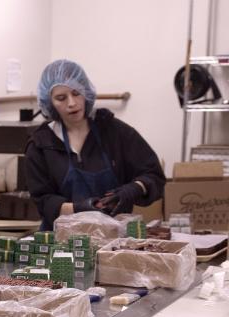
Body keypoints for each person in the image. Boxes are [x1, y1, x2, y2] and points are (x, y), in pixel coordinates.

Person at [26, 59, 165, 230]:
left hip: (113, 240)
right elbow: (43, 200)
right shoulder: (41, 145)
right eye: (61, 98)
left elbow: (153, 175)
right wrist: (79, 209)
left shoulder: (115, 132)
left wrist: (133, 189)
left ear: (86, 92)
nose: (71, 103)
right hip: (60, 243)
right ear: (50, 103)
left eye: (76, 93)